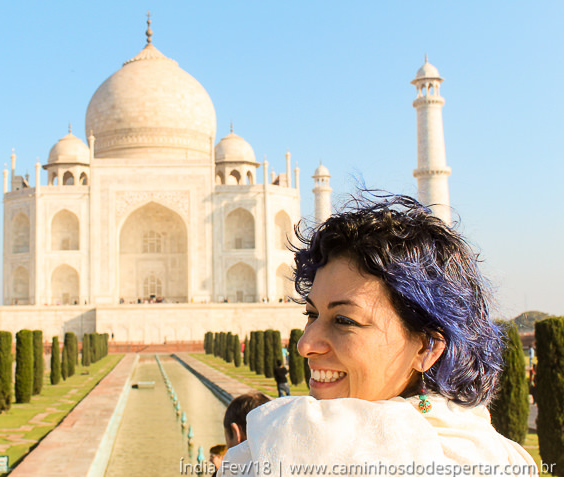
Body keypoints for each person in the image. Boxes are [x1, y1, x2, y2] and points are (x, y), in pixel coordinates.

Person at [219, 194, 535, 475]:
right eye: (311, 314)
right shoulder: (488, 449)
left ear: (427, 348)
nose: (305, 345)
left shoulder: (292, 448)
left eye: (344, 320)